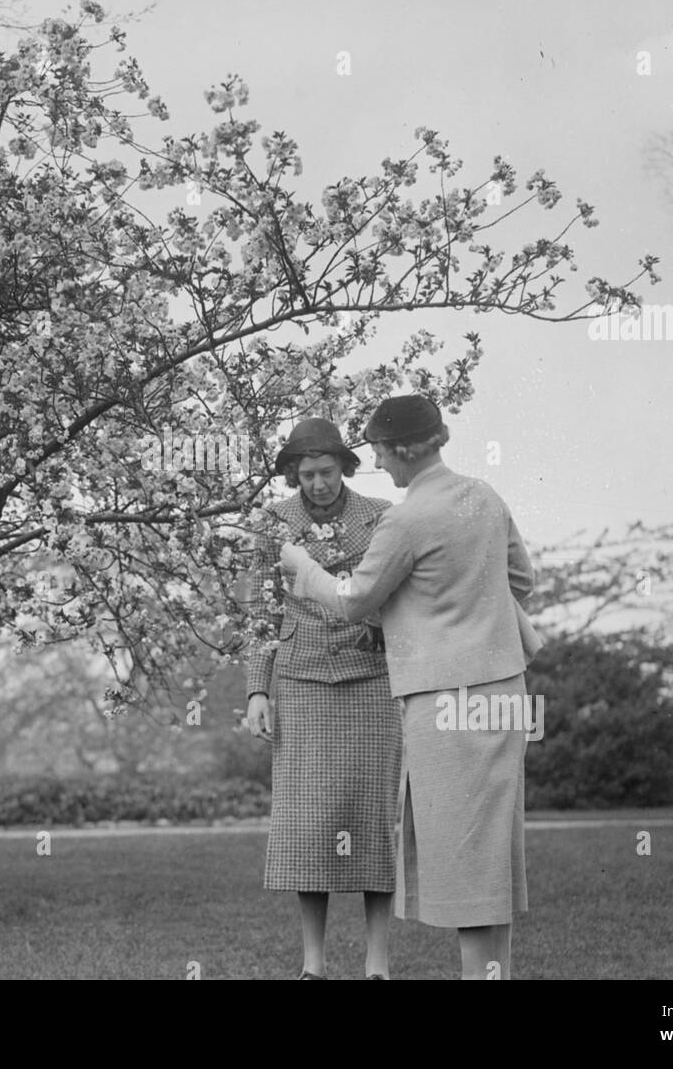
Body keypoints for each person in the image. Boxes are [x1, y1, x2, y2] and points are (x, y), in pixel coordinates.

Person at [280, 396, 541, 980]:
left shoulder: (405, 518)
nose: (377, 462)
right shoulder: (484, 496)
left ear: (402, 450)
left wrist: (302, 566)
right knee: (491, 847)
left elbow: (352, 603)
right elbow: (521, 579)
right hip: (505, 691)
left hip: (443, 698)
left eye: (378, 450)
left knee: (461, 849)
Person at [243, 417, 403, 980]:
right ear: (293, 474)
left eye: (326, 472)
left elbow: (398, 592)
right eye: (306, 474)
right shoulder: (273, 523)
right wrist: (259, 689)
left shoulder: (381, 516)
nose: (317, 484)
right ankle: (313, 963)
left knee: (374, 818)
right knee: (308, 825)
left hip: (371, 681)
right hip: (303, 682)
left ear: (344, 466)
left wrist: (381, 627)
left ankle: (377, 963)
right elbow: (261, 614)